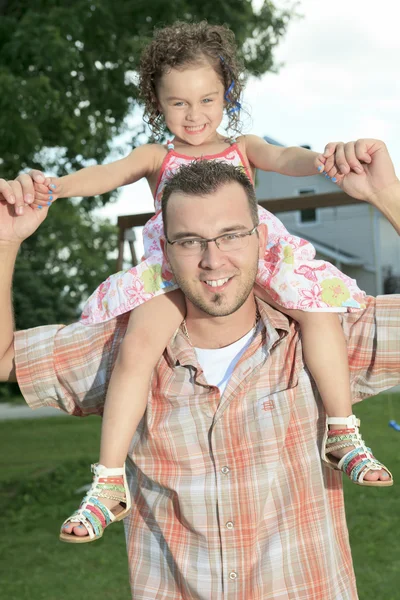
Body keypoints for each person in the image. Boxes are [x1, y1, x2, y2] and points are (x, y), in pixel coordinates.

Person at [0, 22, 394, 543]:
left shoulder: (244, 146)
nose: (194, 115)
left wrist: (326, 160)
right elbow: (106, 175)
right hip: (174, 269)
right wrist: (51, 189)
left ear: (227, 94)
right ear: (157, 104)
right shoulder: (156, 157)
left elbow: (288, 158)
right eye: (178, 104)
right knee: (138, 345)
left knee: (317, 308)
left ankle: (342, 431)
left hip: (260, 258)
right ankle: (108, 480)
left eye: (207, 99)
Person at [0, 143, 399, 599]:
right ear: (164, 251)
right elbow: (5, 358)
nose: (213, 260)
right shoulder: (127, 348)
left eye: (231, 235)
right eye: (190, 241)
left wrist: (387, 193)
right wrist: (5, 241)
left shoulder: (322, 333)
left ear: (262, 239)